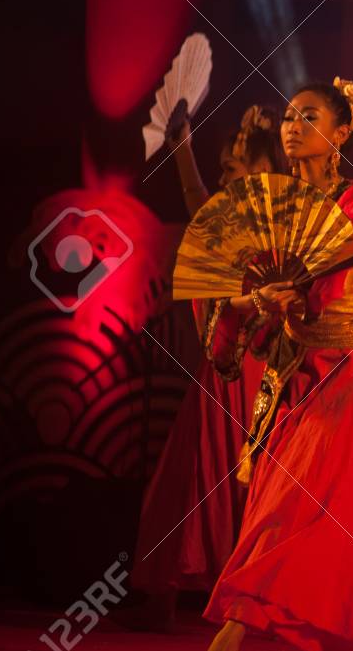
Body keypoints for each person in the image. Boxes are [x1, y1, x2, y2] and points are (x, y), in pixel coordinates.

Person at [201, 78, 353, 651]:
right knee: (277, 515)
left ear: (342, 132)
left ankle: (244, 626)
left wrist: (288, 294)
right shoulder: (271, 207)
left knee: (326, 524)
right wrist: (241, 311)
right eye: (289, 119)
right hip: (297, 377)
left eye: (309, 117)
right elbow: (238, 309)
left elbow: (336, 265)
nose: (293, 127)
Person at [124, 105, 285, 631]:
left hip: (261, 375)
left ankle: (245, 604)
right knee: (190, 478)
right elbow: (199, 203)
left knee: (253, 486)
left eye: (233, 170)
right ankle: (165, 597)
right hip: (220, 372)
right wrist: (183, 151)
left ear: (263, 172)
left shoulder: (282, 227)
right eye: (222, 170)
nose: (223, 180)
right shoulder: (227, 223)